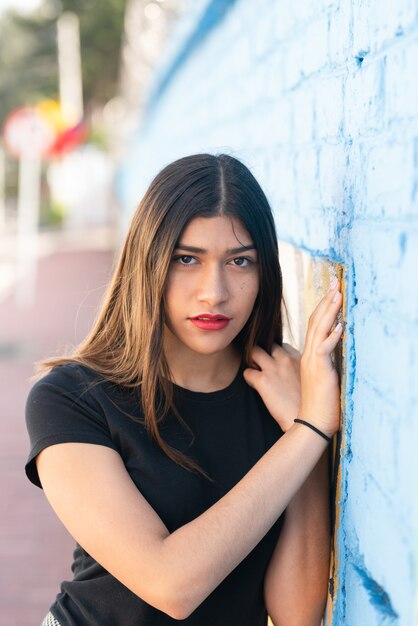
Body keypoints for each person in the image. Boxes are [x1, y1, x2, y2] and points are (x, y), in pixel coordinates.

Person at [25, 153, 343, 626]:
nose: (213, 292)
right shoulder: (72, 399)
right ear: (147, 262)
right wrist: (307, 432)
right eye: (186, 259)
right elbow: (171, 585)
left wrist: (306, 440)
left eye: (240, 261)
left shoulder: (281, 399)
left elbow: (297, 616)